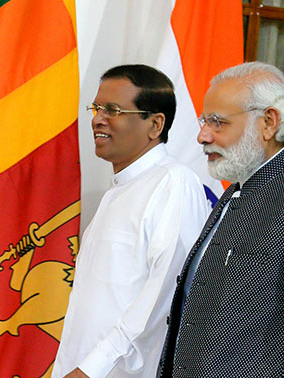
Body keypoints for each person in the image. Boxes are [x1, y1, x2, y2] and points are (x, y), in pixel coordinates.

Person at [157, 62, 284, 378]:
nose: (202, 135)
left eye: (217, 122)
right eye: (203, 121)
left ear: (268, 122)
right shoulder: (235, 193)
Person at [52, 64, 210, 378]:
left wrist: (90, 369)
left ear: (155, 124)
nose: (97, 118)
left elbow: (165, 295)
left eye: (113, 110)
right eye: (96, 108)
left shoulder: (173, 184)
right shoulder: (118, 190)